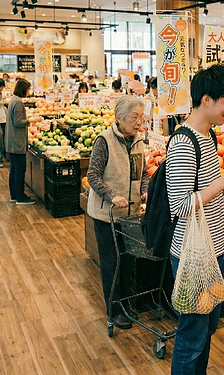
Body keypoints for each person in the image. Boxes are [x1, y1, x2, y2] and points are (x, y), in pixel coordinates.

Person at [166, 64, 224, 375]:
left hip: (213, 249)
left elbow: (205, 191)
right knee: (192, 335)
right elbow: (181, 206)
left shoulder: (207, 135)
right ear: (206, 99)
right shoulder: (183, 142)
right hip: (192, 254)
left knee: (207, 329)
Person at [87, 96, 149, 331]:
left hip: (130, 214)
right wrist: (112, 196)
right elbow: (93, 175)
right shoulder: (104, 141)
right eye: (134, 117)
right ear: (119, 118)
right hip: (108, 215)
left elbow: (143, 173)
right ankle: (114, 311)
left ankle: (125, 304)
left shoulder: (139, 141)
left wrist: (145, 190)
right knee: (111, 263)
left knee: (127, 260)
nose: (138, 122)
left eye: (141, 117)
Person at [6, 79, 41, 205]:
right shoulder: (18, 103)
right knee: (19, 170)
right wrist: (31, 120)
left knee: (14, 169)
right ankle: (20, 197)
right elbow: (18, 122)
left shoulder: (13, 100)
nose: (29, 91)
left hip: (12, 141)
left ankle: (14, 195)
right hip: (17, 141)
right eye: (28, 89)